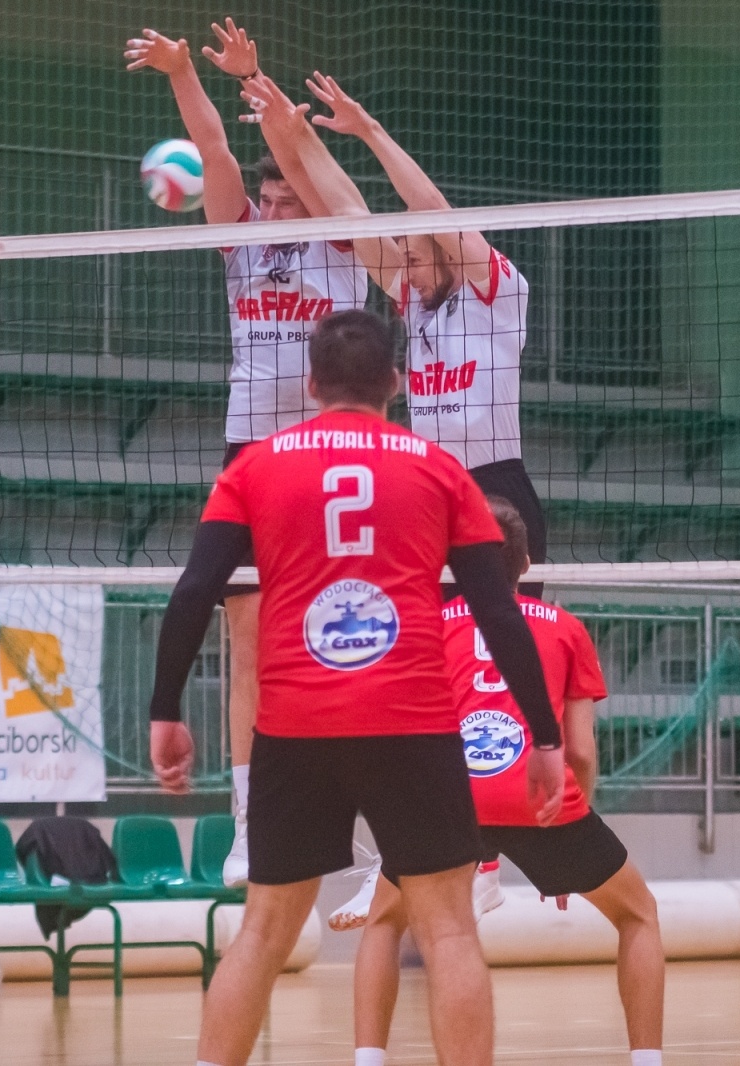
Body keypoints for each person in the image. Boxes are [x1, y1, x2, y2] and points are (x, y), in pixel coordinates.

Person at [148, 310, 566, 1066]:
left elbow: (193, 592)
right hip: (411, 720)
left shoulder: (253, 467)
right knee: (448, 931)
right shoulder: (438, 469)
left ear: (309, 384)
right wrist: (543, 733)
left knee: (265, 931)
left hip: (294, 722)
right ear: (397, 384)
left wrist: (165, 712)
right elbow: (497, 610)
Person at [126, 20, 370, 886]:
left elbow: (300, 161)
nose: (271, 206)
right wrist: (185, 73)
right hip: (250, 457)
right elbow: (211, 149)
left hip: (331, 452)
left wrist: (266, 89)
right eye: (265, 200)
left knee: (349, 633)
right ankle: (245, 825)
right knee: (246, 640)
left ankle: (366, 817)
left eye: (284, 197)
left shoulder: (342, 244)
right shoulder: (238, 240)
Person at [345, 498, 665, 1066]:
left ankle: (367, 1060)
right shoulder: (566, 628)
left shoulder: (427, 623)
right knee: (637, 914)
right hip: (539, 798)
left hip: (453, 801)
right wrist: (569, 822)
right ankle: (647, 1060)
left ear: (458, 562)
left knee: (386, 920)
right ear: (528, 563)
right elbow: (583, 751)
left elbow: (402, 728)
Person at [239, 72, 548, 596]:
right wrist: (297, 135)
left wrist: (370, 131)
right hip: (429, 488)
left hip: (496, 485)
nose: (404, 269)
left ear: (447, 252)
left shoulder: (495, 292)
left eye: (414, 257)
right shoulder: (414, 300)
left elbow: (430, 206)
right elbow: (348, 211)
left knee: (501, 650)